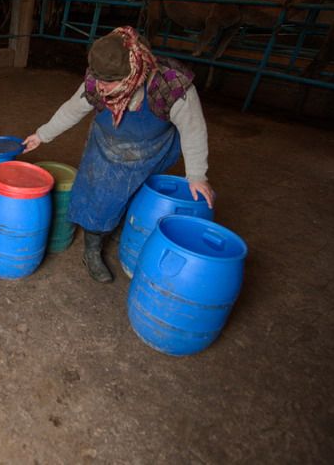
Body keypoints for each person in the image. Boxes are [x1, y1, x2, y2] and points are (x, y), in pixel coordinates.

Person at [23, 26, 215, 283]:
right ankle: (91, 250)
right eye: (98, 79)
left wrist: (196, 175)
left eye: (110, 81)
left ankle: (122, 221)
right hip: (107, 145)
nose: (101, 87)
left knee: (138, 193)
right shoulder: (98, 80)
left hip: (153, 149)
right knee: (98, 197)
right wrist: (41, 135)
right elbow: (73, 109)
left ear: (135, 72)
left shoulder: (170, 87)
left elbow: (193, 129)